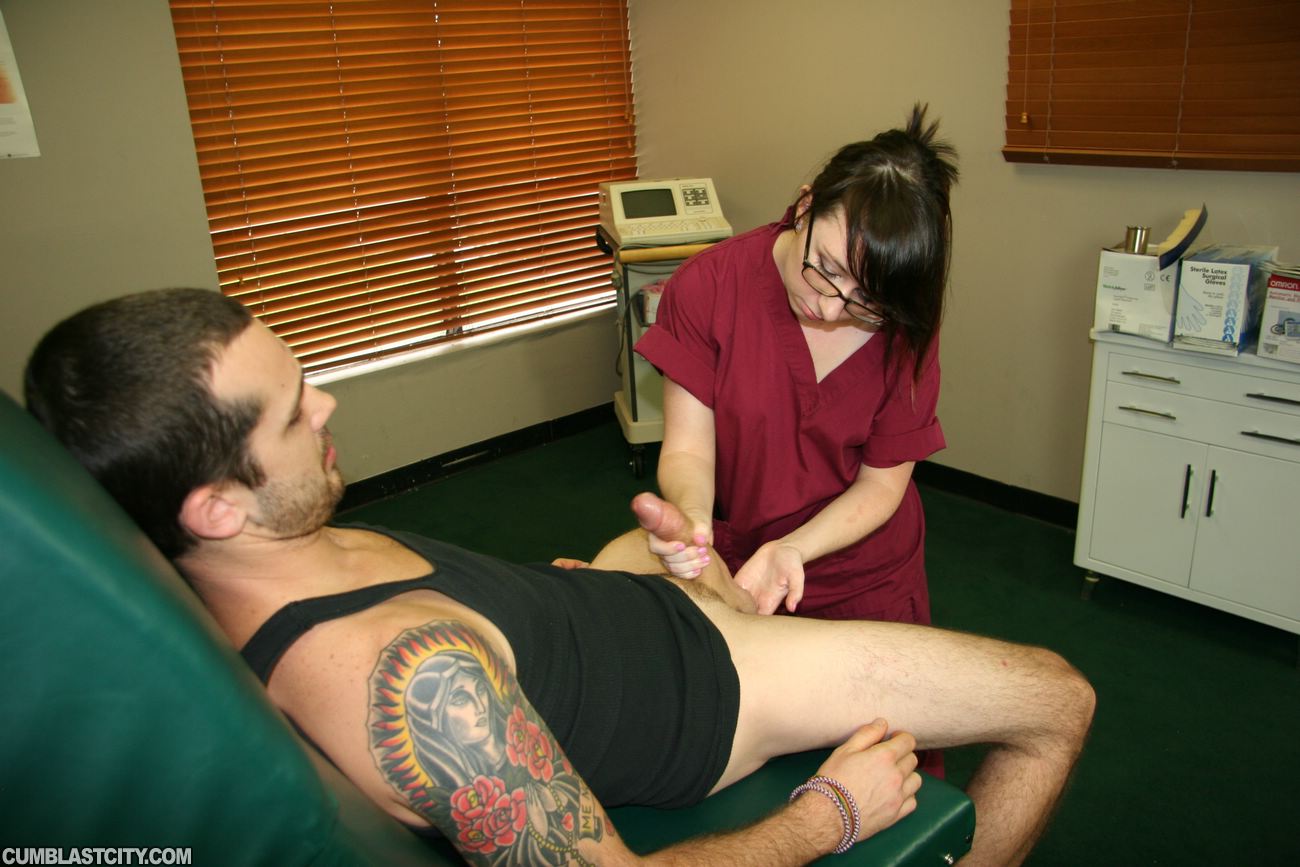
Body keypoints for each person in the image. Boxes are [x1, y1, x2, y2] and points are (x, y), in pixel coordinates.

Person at [25, 288, 1094, 866]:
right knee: (1056, 699)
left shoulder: (272, 551)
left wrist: (561, 596)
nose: (327, 406)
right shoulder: (409, 677)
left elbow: (477, 626)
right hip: (726, 684)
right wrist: (830, 815)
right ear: (216, 507)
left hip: (633, 608)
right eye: (294, 410)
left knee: (655, 538)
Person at [636, 104, 955, 628]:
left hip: (864, 567)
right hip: (749, 562)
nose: (829, 307)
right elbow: (690, 449)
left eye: (866, 300)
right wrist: (693, 519)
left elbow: (882, 484)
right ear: (805, 206)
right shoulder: (708, 287)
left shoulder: (905, 322)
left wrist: (794, 548)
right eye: (825, 268)